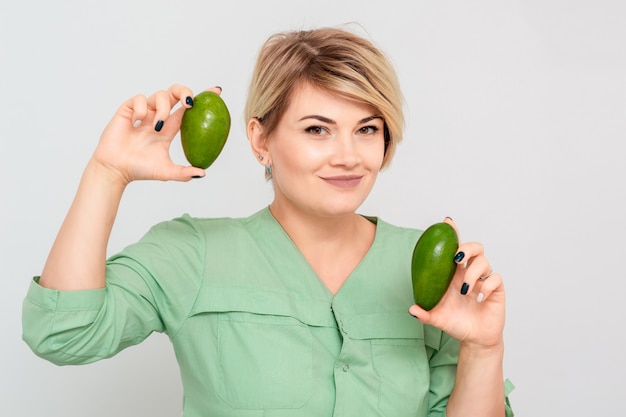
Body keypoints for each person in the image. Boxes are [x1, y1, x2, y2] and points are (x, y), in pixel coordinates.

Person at [22, 27, 514, 417]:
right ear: (260, 140)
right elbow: (63, 333)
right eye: (317, 129)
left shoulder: (433, 273)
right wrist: (107, 174)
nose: (348, 156)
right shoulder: (193, 253)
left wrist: (483, 349)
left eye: (367, 129)